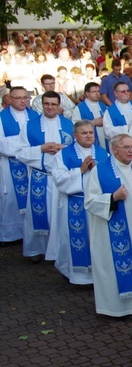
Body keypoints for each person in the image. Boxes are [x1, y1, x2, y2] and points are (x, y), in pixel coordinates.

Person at [84, 134, 132, 317]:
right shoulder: (100, 171)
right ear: (114, 149)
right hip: (112, 234)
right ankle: (115, 309)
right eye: (126, 147)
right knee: (113, 267)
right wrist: (112, 198)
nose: (131, 150)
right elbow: (90, 202)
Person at [16, 91, 74, 263]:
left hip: (63, 178)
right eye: (47, 104)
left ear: (59, 106)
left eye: (53, 104)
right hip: (41, 178)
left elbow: (76, 149)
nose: (50, 107)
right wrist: (41, 148)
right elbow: (19, 152)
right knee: (39, 214)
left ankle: (60, 250)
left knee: (61, 215)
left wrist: (62, 148)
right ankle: (37, 249)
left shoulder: (69, 124)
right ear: (42, 104)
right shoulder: (30, 126)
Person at [52, 121, 109, 285]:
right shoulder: (63, 154)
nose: (89, 136)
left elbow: (111, 177)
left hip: (96, 204)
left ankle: (97, 274)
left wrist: (97, 170)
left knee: (96, 239)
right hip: (74, 203)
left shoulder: (102, 153)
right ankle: (75, 274)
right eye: (84, 133)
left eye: (91, 132)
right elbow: (58, 178)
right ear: (75, 136)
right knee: (71, 238)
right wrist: (80, 170)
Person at [0, 87, 38, 244]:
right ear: (10, 99)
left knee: (33, 198)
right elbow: (3, 144)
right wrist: (26, 144)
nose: (23, 101)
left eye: (25, 97)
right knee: (10, 201)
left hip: (32, 165)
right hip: (11, 165)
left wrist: (22, 143)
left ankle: (33, 233)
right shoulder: (2, 118)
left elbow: (40, 140)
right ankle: (12, 235)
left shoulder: (35, 115)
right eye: (18, 98)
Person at [72, 82, 107, 150]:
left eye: (98, 91)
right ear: (87, 93)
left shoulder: (103, 106)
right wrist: (92, 123)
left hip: (104, 138)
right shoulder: (79, 108)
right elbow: (74, 125)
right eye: (94, 92)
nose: (97, 94)